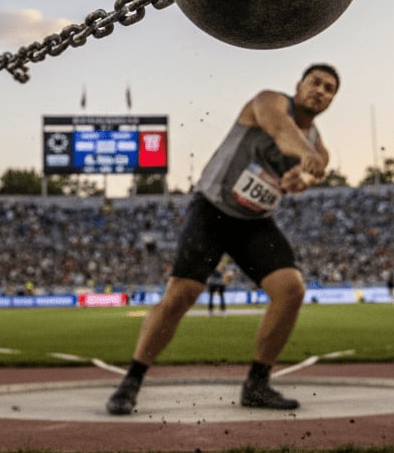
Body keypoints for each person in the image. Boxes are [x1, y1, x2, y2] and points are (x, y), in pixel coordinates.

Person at [106, 63, 338, 415]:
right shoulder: (269, 101)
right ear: (299, 84)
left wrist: (299, 181)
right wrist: (303, 156)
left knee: (291, 289)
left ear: (332, 100)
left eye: (329, 88)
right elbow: (281, 131)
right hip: (212, 209)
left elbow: (308, 175)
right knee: (181, 294)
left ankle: (257, 384)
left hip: (254, 221)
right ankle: (132, 380)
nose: (320, 91)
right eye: (315, 82)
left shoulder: (321, 150)